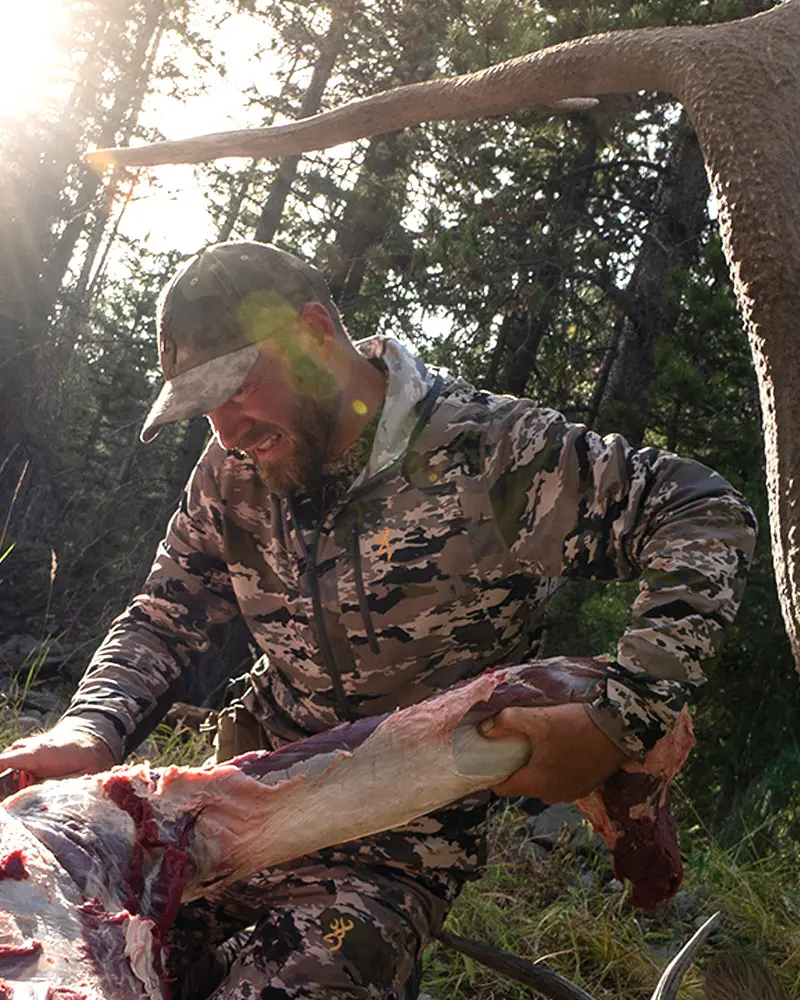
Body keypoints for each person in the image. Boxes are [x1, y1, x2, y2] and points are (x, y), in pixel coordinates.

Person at [0, 241, 756, 1000]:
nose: (227, 432)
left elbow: (704, 512)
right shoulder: (232, 470)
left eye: (237, 389)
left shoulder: (490, 452)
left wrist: (623, 713)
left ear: (316, 336)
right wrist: (88, 729)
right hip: (229, 813)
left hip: (391, 850)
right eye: (204, 409)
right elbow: (164, 615)